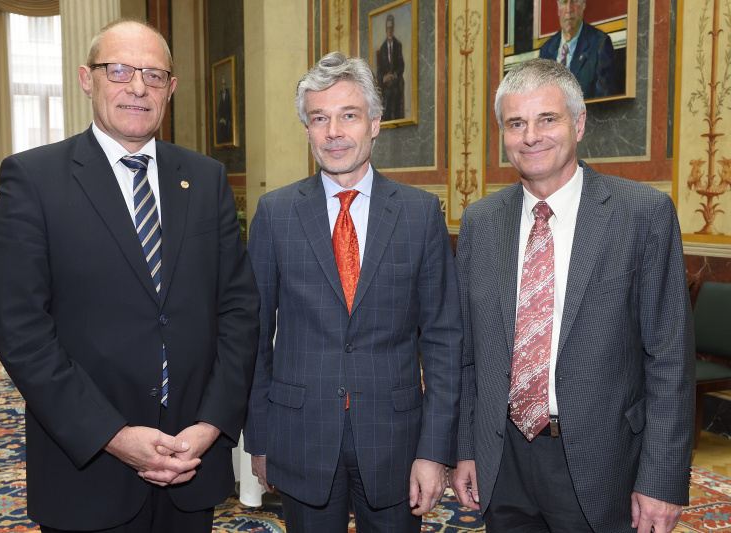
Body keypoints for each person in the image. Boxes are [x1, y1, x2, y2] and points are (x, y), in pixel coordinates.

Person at [0, 19, 260, 533]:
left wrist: (212, 422)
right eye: (119, 71)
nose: (138, 87)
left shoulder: (205, 179)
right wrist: (112, 436)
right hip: (88, 466)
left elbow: (239, 309)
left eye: (154, 76)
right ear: (88, 80)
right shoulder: (32, 180)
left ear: (171, 89)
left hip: (189, 461)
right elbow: (21, 333)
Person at [450, 58, 694, 532]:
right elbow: (467, 355)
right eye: (516, 123)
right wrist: (464, 448)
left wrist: (662, 479)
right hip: (503, 459)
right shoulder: (480, 222)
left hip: (603, 463)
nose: (531, 136)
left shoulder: (642, 215)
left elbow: (670, 360)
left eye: (548, 119)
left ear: (579, 124)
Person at [244, 51, 462, 532]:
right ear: (306, 130)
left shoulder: (420, 214)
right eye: (319, 119)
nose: (333, 132)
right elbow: (252, 338)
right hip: (300, 437)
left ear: (375, 124)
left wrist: (434, 450)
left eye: (348, 116)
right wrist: (259, 439)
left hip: (396, 441)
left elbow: (445, 342)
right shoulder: (276, 214)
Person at [538, 0, 616, 99]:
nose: (569, 9)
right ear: (558, 8)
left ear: (583, 5)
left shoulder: (600, 44)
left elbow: (603, 104)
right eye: (564, 2)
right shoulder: (546, 50)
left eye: (574, 2)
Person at [376, 14, 405, 121]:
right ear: (386, 29)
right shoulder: (383, 48)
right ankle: (385, 121)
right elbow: (379, 71)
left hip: (396, 81)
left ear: (393, 28)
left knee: (396, 92)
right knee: (387, 95)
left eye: (391, 28)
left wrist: (395, 75)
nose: (389, 30)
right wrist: (385, 78)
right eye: (387, 28)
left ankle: (397, 120)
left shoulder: (398, 46)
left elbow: (401, 65)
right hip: (385, 85)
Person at [216, 76, 233, 144]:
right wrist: (221, 118)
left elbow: (229, 109)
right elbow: (219, 109)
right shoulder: (220, 94)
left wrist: (225, 119)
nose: (223, 86)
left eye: (224, 84)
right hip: (221, 118)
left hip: (227, 118)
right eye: (222, 84)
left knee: (226, 130)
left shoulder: (228, 95)